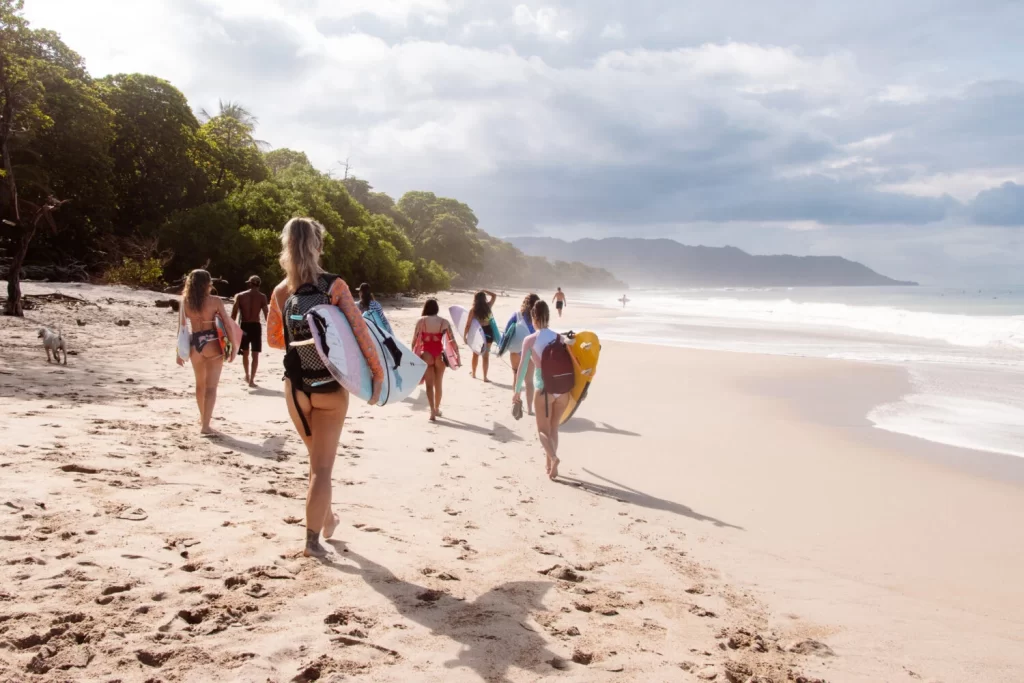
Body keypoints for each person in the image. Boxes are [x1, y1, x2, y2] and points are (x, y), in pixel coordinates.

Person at [267, 218, 383, 558]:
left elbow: (275, 340)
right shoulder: (335, 286)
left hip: (296, 389)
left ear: (286, 247)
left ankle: (328, 519)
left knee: (316, 462)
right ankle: (312, 541)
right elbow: (360, 332)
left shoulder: (280, 291)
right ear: (318, 246)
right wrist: (376, 374)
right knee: (322, 469)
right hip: (331, 388)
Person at [513, 301, 576, 480]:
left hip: (543, 388)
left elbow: (523, 368)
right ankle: (549, 466)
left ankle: (554, 459)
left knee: (542, 431)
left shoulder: (530, 340)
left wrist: (517, 391)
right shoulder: (559, 337)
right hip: (562, 390)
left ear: (533, 317)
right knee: (554, 428)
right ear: (548, 316)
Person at [177, 269, 230, 435]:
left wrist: (178, 352)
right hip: (213, 343)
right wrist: (233, 347)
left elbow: (181, 328)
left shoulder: (185, 302)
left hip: (195, 345)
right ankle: (206, 426)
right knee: (211, 387)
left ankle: (202, 418)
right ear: (208, 283)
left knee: (200, 385)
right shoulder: (215, 301)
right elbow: (227, 324)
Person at [412, 298, 454, 421]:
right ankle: (436, 408)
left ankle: (431, 411)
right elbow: (451, 341)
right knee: (438, 384)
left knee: (429, 385)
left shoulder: (421, 321)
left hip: (426, 355)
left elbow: (414, 341)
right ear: (437, 308)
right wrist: (456, 357)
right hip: (439, 355)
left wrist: (415, 356)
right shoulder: (444, 322)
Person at [504, 293, 540, 413]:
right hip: (531, 351)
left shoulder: (517, 315)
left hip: (516, 349)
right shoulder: (538, 318)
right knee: (529, 381)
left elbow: (507, 332)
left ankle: (516, 402)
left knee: (516, 376)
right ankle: (529, 409)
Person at [231, 275, 269, 387]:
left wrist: (230, 329)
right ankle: (252, 380)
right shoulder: (262, 297)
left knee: (245, 353)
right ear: (259, 285)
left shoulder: (240, 296)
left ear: (249, 284)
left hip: (244, 326)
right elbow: (267, 315)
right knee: (255, 354)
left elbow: (233, 315)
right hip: (256, 326)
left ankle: (247, 375)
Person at [465, 290, 497, 382]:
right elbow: (494, 295)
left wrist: (465, 336)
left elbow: (468, 324)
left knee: (475, 354)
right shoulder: (488, 307)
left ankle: (474, 374)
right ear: (484, 298)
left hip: (478, 333)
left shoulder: (473, 309)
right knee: (486, 356)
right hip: (488, 332)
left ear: (475, 299)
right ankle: (485, 377)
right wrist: (485, 290)